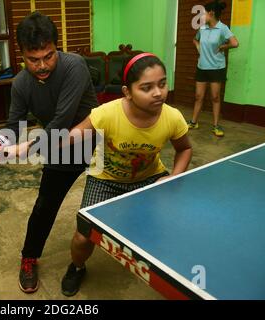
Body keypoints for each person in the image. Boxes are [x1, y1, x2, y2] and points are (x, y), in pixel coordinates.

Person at [0, 11, 98, 293]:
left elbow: (61, 120)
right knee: (45, 205)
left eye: (49, 56)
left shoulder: (75, 66)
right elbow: (14, 125)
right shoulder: (21, 83)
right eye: (34, 60)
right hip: (58, 145)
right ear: (21, 55)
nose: (42, 65)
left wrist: (26, 146)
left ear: (57, 47)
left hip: (95, 138)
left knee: (107, 204)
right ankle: (29, 258)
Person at [60, 52, 193, 297]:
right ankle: (76, 267)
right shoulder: (107, 113)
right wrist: (29, 146)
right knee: (82, 236)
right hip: (105, 180)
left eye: (162, 84)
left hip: (150, 180)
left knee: (173, 228)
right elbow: (72, 136)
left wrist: (174, 177)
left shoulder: (172, 117)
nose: (158, 92)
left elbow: (184, 148)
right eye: (147, 87)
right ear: (127, 91)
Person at [187, 0, 239, 137]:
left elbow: (235, 43)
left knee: (215, 97)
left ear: (211, 13)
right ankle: (193, 122)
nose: (202, 16)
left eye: (204, 13)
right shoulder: (202, 28)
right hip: (202, 67)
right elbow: (195, 39)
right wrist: (199, 49)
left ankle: (216, 125)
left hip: (216, 68)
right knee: (199, 96)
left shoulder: (223, 28)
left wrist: (223, 46)